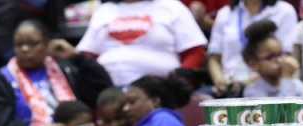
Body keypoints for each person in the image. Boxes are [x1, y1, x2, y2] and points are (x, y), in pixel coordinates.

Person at [0, 20, 112, 126]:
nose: (25, 49)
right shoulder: (0, 80)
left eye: (32, 43)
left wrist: (77, 57)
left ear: (47, 44)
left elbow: (104, 89)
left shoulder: (66, 70)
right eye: (19, 44)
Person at [76, 0, 208, 88]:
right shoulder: (104, 11)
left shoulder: (171, 6)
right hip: (109, 91)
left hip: (161, 90)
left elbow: (194, 51)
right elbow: (88, 54)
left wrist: (178, 82)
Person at [207, 0, 298, 97]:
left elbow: (284, 58)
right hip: (230, 86)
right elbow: (214, 58)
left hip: (267, 83)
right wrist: (220, 82)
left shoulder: (284, 11)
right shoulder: (225, 14)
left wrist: (245, 83)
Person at [241, 20, 303, 98]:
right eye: (271, 57)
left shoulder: (297, 85)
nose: (279, 60)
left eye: (280, 54)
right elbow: (281, 109)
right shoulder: (252, 92)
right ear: (253, 63)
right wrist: (286, 78)